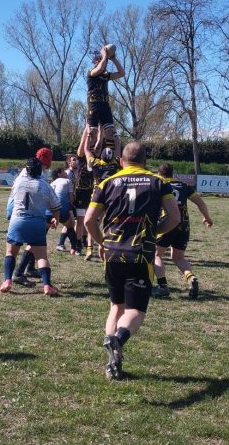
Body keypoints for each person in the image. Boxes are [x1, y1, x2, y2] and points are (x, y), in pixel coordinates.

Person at [84, 142, 180, 380]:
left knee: (115, 306)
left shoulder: (107, 182)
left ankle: (111, 362)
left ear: (122, 161)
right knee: (135, 310)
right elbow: (175, 217)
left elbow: (88, 221)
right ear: (146, 161)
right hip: (140, 253)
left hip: (113, 252)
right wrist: (155, 232)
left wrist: (101, 243)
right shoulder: (159, 182)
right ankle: (119, 339)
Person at [1, 157, 61, 296]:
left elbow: (12, 201)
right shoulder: (45, 185)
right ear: (40, 170)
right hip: (36, 223)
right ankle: (47, 286)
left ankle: (7, 280)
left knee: (10, 253)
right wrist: (56, 220)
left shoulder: (19, 182)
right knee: (41, 257)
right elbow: (56, 206)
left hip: (18, 221)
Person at [153, 163, 213, 299]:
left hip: (167, 223)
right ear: (172, 174)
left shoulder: (159, 184)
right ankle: (191, 278)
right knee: (178, 257)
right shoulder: (184, 186)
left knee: (156, 255)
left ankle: (162, 286)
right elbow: (200, 203)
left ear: (159, 173)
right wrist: (207, 218)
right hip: (184, 225)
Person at [12, 147, 54, 281]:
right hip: (29, 213)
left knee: (35, 243)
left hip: (25, 211)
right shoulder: (37, 173)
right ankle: (19, 272)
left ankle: (30, 268)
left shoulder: (31, 169)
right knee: (35, 243)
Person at [83, 129, 121, 261]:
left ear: (101, 157)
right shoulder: (116, 164)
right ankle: (110, 245)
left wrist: (88, 135)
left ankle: (89, 248)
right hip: (112, 196)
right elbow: (118, 149)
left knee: (93, 222)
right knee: (110, 222)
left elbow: (86, 150)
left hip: (98, 196)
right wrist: (115, 135)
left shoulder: (96, 164)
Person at [86, 44, 124, 157]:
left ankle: (111, 158)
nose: (105, 64)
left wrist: (114, 59)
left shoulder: (106, 75)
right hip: (94, 105)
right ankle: (92, 160)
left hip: (105, 105)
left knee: (110, 131)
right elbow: (100, 69)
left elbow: (122, 73)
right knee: (93, 133)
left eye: (106, 62)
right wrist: (104, 56)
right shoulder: (91, 72)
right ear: (95, 62)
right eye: (102, 61)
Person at [51, 166, 78, 255]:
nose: (66, 173)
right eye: (63, 171)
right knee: (70, 226)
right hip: (60, 208)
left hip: (49, 209)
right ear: (59, 174)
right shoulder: (67, 181)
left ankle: (36, 247)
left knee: (44, 230)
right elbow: (71, 199)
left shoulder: (52, 183)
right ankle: (74, 248)